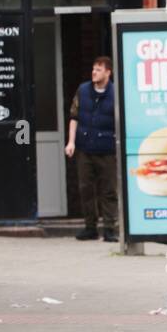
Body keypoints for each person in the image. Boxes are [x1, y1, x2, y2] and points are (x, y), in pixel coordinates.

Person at [65, 55, 118, 242]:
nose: (94, 72)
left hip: (108, 149)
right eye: (93, 69)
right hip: (85, 148)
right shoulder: (83, 90)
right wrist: (71, 142)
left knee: (109, 190)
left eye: (98, 69)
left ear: (108, 72)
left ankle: (111, 228)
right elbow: (74, 116)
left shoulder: (116, 92)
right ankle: (90, 227)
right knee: (86, 189)